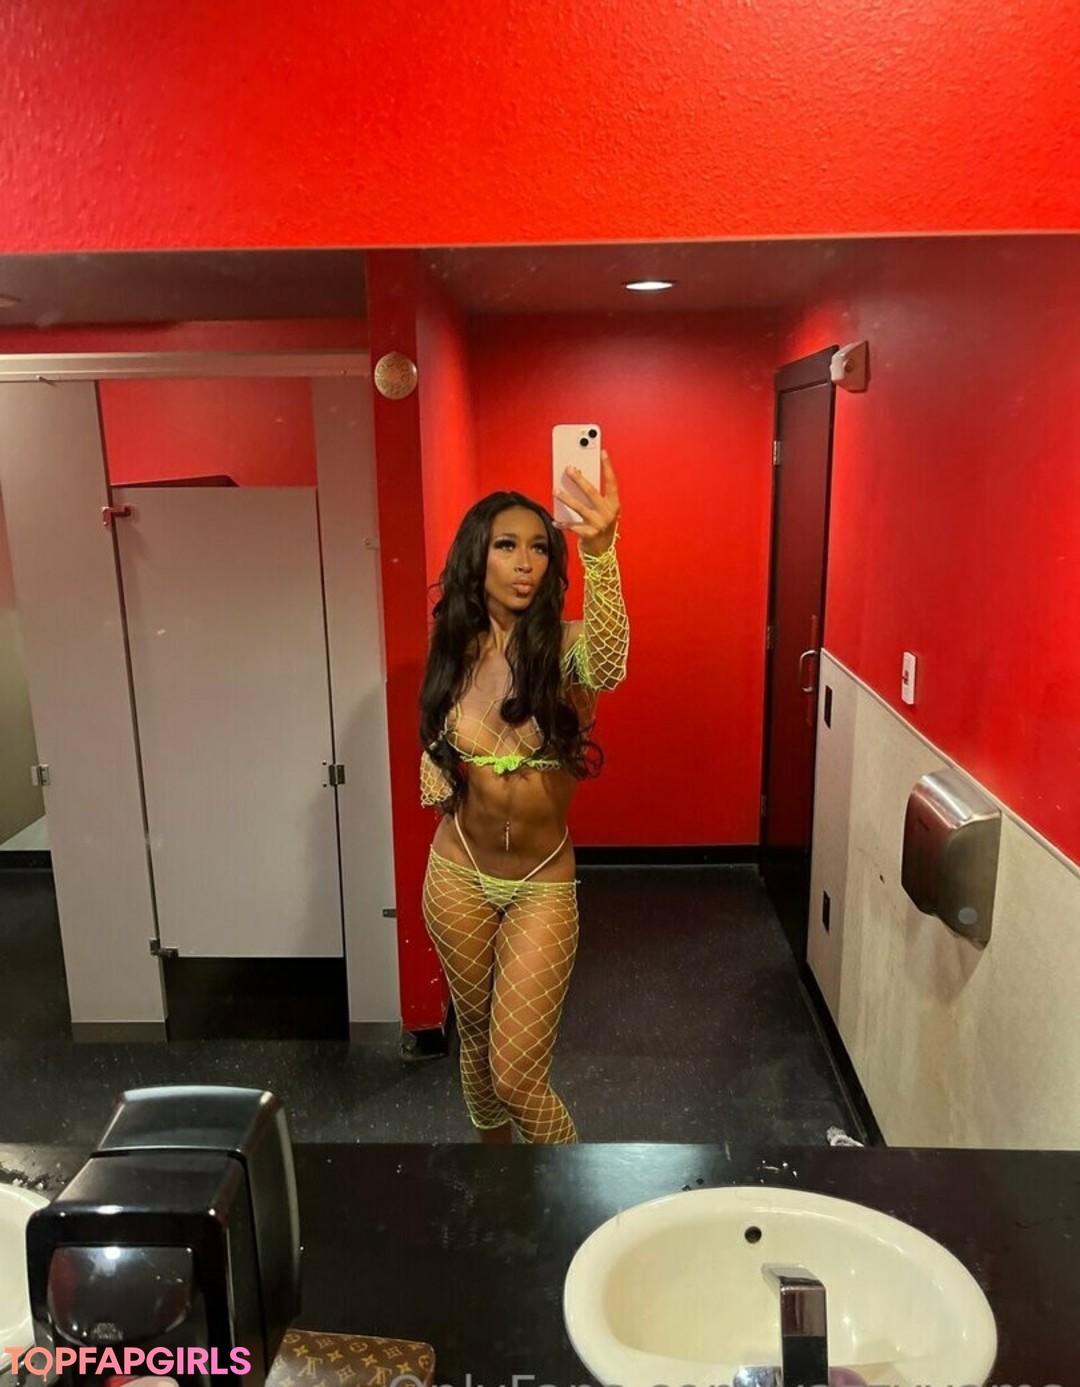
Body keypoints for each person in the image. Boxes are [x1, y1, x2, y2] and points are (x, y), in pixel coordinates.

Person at [418, 452, 628, 1144]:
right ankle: (499, 1176)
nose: (524, 563)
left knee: (517, 1077)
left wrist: (601, 552)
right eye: (506, 546)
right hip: (457, 874)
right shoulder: (453, 648)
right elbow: (438, 721)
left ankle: (575, 1198)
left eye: (539, 547)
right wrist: (434, 758)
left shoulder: (565, 650)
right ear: (477, 557)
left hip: (541, 882)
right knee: (476, 1042)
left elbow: (611, 663)